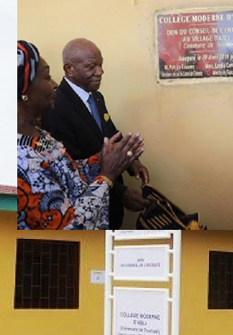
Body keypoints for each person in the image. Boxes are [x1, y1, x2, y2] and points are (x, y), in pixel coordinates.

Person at [17, 40, 142, 230]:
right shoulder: (21, 160)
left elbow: (70, 171)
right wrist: (107, 177)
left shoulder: (41, 136)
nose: (53, 84)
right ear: (24, 91)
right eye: (47, 77)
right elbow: (69, 227)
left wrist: (114, 157)